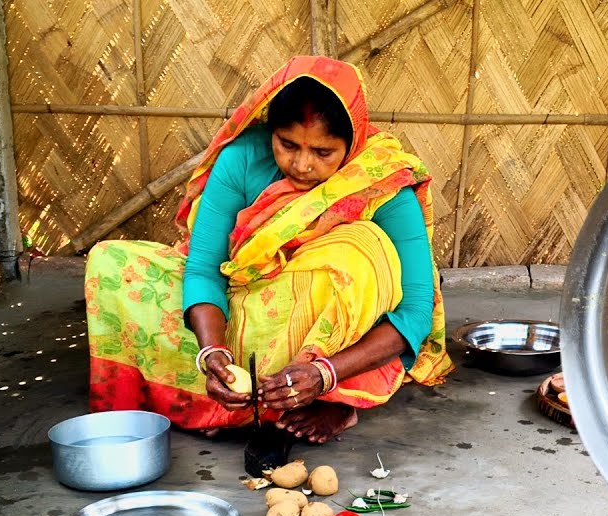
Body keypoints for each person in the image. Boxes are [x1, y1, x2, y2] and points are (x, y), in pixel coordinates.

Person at [84, 56, 454, 467]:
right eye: (288, 144)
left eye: (323, 152)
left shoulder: (381, 181)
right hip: (243, 307)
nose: (302, 164)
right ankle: (245, 396)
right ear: (269, 131)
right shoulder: (241, 159)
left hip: (326, 336)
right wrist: (211, 353)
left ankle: (334, 398)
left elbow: (417, 309)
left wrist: (325, 374)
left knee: (361, 248)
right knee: (111, 263)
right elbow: (205, 268)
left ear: (353, 142)